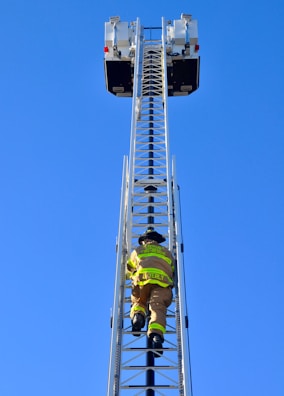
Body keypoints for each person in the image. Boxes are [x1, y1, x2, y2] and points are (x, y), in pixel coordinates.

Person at [126, 228, 175, 357]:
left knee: (139, 302)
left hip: (142, 281)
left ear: (145, 240)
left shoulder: (138, 251)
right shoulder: (167, 253)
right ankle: (156, 336)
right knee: (157, 308)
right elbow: (174, 271)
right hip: (162, 284)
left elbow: (129, 269)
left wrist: (131, 275)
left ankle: (138, 317)